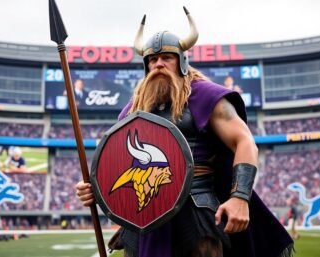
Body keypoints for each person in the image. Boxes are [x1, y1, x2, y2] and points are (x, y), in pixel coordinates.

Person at [76, 7, 293, 257]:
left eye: (166, 57)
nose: (158, 63)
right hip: (144, 216)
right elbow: (122, 161)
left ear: (182, 60)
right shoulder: (130, 112)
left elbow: (244, 141)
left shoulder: (205, 95)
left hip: (196, 209)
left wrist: (240, 197)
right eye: (151, 60)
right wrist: (95, 187)